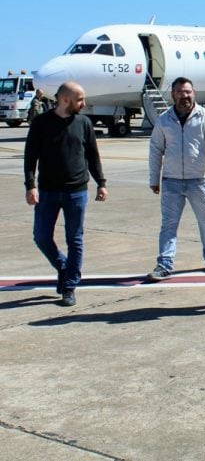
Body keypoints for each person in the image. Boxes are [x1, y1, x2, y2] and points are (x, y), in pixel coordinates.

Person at [23, 81, 108, 307]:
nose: (84, 103)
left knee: (75, 240)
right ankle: (64, 268)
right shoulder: (41, 123)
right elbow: (30, 156)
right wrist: (30, 185)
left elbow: (93, 155)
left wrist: (101, 182)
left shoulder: (84, 123)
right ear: (65, 100)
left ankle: (69, 286)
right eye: (80, 100)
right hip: (48, 191)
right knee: (41, 237)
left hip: (76, 192)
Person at [147, 77, 205, 281]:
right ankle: (164, 264)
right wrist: (154, 178)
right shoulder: (164, 120)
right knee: (168, 225)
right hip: (171, 181)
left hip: (198, 180)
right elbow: (155, 149)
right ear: (173, 95)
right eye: (180, 92)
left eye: (188, 92)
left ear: (194, 93)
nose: (184, 96)